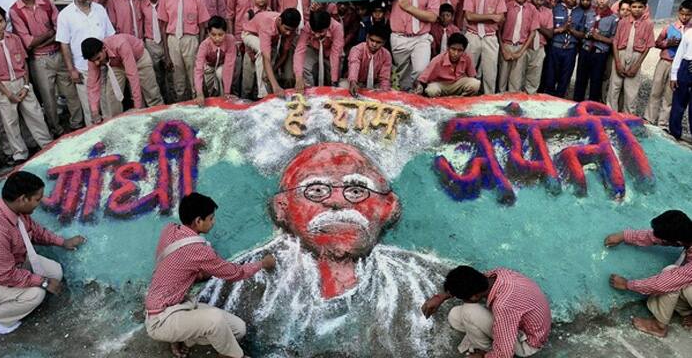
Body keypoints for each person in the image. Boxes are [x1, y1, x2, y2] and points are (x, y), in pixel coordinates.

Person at [199, 143, 452, 357]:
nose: (337, 201)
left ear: (388, 206)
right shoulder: (237, 283)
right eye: (317, 190)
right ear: (282, 207)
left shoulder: (424, 281)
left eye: (356, 191)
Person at [144, 192, 276, 358]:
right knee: (214, 320)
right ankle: (234, 356)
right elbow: (235, 273)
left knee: (238, 330)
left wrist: (198, 273)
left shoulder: (169, 230)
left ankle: (183, 338)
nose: (213, 222)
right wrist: (262, 264)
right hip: (160, 319)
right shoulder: (200, 251)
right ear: (199, 221)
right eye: (211, 218)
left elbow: (178, 262)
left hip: (179, 306)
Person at [0, 171, 86, 335]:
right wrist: (43, 282)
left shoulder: (15, 210)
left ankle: (21, 296)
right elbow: (5, 275)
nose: (39, 203)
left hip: (14, 262)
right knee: (35, 295)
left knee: (55, 271)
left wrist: (63, 242)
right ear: (22, 199)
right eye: (37, 199)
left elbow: (35, 232)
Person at [421, 265, 552, 358]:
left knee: (468, 312)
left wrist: (484, 356)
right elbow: (466, 282)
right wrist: (441, 297)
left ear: (474, 297)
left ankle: (485, 349)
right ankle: (490, 341)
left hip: (528, 344)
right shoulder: (497, 274)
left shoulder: (503, 306)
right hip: (529, 324)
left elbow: (505, 354)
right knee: (455, 316)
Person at [607, 210, 692, 337]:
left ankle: (658, 327)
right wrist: (624, 236)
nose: (659, 240)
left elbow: (662, 284)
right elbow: (655, 237)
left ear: (678, 242)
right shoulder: (687, 234)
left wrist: (627, 284)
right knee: (681, 282)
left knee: (670, 276)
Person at [8, 0, 71, 138]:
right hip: (39, 59)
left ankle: (76, 124)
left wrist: (42, 39)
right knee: (48, 98)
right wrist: (49, 34)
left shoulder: (46, 3)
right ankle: (57, 131)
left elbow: (60, 29)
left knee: (71, 91)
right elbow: (28, 42)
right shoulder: (15, 11)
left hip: (58, 53)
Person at [0, 5, 53, 164]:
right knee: (10, 122)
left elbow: (24, 63)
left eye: (1, 21)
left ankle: (47, 145)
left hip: (22, 82)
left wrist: (26, 86)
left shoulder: (14, 39)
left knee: (35, 114)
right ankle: (19, 153)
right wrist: (7, 93)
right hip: (3, 86)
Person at [56, 0, 115, 128]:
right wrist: (71, 70)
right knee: (90, 109)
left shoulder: (100, 9)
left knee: (108, 104)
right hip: (83, 69)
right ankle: (95, 144)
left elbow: (110, 36)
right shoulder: (65, 15)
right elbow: (64, 44)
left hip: (104, 66)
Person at [158, 0, 210, 103]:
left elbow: (202, 26)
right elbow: (163, 26)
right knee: (178, 79)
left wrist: (199, 48)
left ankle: (197, 104)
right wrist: (166, 53)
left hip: (191, 39)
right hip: (173, 40)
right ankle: (182, 105)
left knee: (194, 76)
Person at [81, 35, 163, 121]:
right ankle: (116, 123)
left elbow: (132, 76)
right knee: (112, 98)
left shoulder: (121, 44)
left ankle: (161, 121)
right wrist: (95, 111)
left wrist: (137, 107)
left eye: (98, 58)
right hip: (116, 65)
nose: (97, 63)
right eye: (93, 61)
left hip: (139, 59)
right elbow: (92, 85)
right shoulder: (92, 59)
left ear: (104, 48)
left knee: (152, 94)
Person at [391, 0, 441, 91]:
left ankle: (416, 96)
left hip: (421, 37)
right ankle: (407, 102)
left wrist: (409, 8)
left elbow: (432, 16)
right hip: (399, 37)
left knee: (420, 71)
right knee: (403, 77)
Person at [644, 0, 692, 130]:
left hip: (680, 65)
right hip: (665, 61)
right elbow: (657, 42)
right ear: (678, 13)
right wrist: (668, 43)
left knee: (670, 95)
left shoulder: (690, 31)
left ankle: (663, 123)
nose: (684, 17)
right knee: (656, 89)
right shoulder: (670, 27)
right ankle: (649, 118)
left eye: (688, 15)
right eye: (682, 14)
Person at [463, 0, 507, 95]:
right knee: (468, 72)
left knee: (490, 74)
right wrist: (491, 16)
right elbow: (469, 17)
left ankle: (488, 102)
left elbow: (500, 18)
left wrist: (487, 17)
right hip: (472, 35)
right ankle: (466, 101)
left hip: (490, 37)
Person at [608, 0, 654, 114]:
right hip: (621, 54)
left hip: (636, 56)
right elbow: (615, 42)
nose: (637, 10)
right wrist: (617, 62)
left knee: (631, 90)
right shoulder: (623, 21)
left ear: (644, 8)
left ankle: (628, 116)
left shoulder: (648, 24)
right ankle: (610, 113)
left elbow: (648, 46)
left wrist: (637, 65)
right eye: (634, 7)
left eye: (640, 7)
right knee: (614, 87)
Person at [241, 8, 301, 98]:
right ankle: (262, 94)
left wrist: (272, 70)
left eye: (291, 31)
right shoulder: (267, 25)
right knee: (261, 53)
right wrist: (276, 86)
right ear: (280, 21)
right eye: (286, 29)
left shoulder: (290, 29)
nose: (288, 33)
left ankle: (266, 93)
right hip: (250, 35)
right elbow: (266, 57)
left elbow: (284, 54)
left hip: (270, 41)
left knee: (267, 74)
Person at [573, 0, 617, 103]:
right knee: (580, 79)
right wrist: (587, 35)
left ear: (610, 0)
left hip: (599, 54)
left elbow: (613, 40)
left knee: (596, 81)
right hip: (585, 50)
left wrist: (600, 37)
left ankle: (592, 107)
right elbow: (583, 32)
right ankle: (577, 104)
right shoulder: (589, 14)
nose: (602, 1)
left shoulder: (613, 19)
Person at [543, 0, 584, 98]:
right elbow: (549, 30)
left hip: (570, 50)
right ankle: (548, 103)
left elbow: (582, 34)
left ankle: (559, 104)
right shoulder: (555, 9)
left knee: (564, 79)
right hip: (555, 47)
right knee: (550, 78)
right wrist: (562, 28)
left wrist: (571, 30)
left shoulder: (580, 12)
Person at [498, 0, 538, 93]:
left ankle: (512, 107)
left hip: (521, 47)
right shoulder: (507, 6)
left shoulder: (532, 9)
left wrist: (521, 52)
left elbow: (532, 33)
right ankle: (499, 105)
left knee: (515, 82)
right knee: (502, 79)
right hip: (506, 46)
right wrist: (503, 49)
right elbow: (498, 30)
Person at [139, 0, 173, 104]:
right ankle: (161, 103)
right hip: (151, 42)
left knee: (170, 73)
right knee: (156, 75)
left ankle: (172, 101)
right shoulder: (142, 4)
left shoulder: (165, 0)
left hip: (166, 41)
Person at [415, 32, 480, 97]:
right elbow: (423, 79)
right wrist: (420, 89)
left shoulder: (467, 58)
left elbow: (472, 76)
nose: (456, 53)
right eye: (453, 49)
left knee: (475, 83)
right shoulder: (438, 59)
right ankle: (442, 101)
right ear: (448, 48)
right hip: (441, 85)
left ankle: (460, 99)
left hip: (457, 84)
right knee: (432, 90)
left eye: (460, 50)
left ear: (464, 50)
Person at [294, 10, 344, 91]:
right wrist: (298, 77)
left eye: (320, 32)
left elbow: (335, 54)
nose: (317, 35)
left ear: (327, 27)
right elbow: (300, 50)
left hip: (330, 52)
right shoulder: (308, 26)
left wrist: (334, 80)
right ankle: (309, 91)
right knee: (305, 68)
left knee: (332, 79)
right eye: (314, 32)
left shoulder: (337, 27)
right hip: (314, 50)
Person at [341, 24, 392, 97]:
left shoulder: (386, 55)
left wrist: (384, 93)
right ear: (367, 37)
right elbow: (354, 65)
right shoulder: (357, 49)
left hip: (375, 84)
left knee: (389, 93)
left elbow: (384, 78)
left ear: (383, 43)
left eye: (378, 42)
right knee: (342, 87)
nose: (374, 44)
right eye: (372, 40)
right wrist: (353, 82)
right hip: (356, 82)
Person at [194, 16, 237, 101]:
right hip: (209, 67)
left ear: (226, 32)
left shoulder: (230, 40)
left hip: (222, 65)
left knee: (220, 73)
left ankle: (225, 97)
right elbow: (198, 69)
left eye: (221, 35)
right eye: (213, 35)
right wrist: (199, 93)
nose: (217, 38)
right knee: (210, 92)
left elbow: (229, 66)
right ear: (208, 33)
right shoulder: (204, 45)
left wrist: (227, 92)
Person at [524, 0, 552, 94]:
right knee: (517, 78)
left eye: (541, 0)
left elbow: (550, 34)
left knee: (533, 80)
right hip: (523, 47)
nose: (538, 2)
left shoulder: (548, 12)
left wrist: (537, 24)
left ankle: (529, 103)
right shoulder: (524, 9)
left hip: (538, 49)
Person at [670, 24, 692, 140]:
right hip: (686, 67)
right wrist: (673, 75)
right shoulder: (689, 33)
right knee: (678, 102)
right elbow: (679, 54)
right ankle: (674, 133)